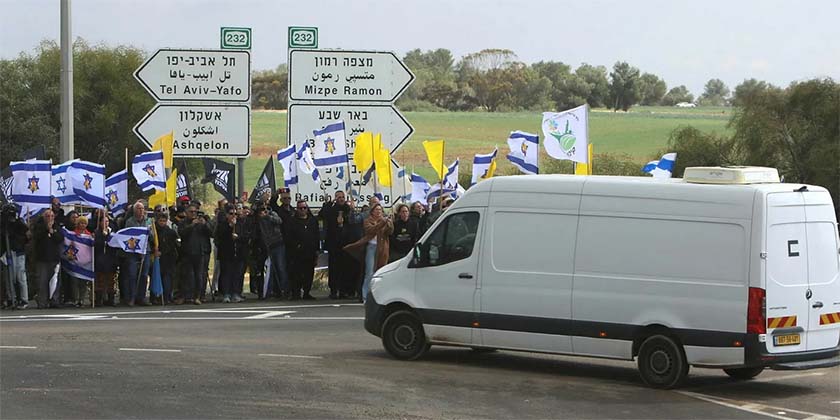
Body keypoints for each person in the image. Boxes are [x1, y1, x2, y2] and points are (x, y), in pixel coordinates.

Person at [344, 203, 392, 303]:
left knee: (380, 272)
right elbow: (371, 230)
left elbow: (389, 232)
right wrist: (382, 223)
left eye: (380, 210)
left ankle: (379, 296)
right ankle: (366, 296)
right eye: (376, 210)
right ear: (372, 212)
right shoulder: (367, 221)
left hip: (382, 248)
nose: (378, 212)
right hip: (371, 247)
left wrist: (390, 223)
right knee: (369, 272)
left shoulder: (384, 220)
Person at [319, 191, 354, 299]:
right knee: (334, 268)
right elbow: (321, 215)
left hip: (346, 243)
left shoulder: (347, 209)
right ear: (335, 198)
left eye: (343, 197)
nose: (341, 199)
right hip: (333, 244)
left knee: (345, 268)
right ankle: (333, 290)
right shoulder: (331, 209)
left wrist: (352, 209)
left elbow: (352, 221)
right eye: (339, 197)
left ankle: (344, 290)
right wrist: (327, 204)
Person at [177, 204, 212, 305]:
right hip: (186, 252)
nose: (193, 214)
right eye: (191, 212)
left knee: (199, 275)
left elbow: (211, 233)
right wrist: (192, 225)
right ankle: (185, 296)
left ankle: (198, 296)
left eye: (195, 212)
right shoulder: (183, 222)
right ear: (186, 213)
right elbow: (182, 233)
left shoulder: (201, 223)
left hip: (199, 252)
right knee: (186, 275)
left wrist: (205, 224)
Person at [122, 201, 154, 306]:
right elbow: (129, 236)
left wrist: (150, 233)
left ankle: (142, 297)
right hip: (133, 251)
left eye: (142, 209)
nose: (141, 211)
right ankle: (132, 297)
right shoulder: (130, 222)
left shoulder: (149, 221)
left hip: (146, 251)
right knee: (132, 274)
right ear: (134, 210)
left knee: (144, 275)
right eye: (138, 209)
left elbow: (153, 237)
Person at [286, 200, 320, 300]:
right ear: (297, 209)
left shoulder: (312, 221)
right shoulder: (292, 221)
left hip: (310, 252)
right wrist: (296, 246)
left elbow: (316, 235)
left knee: (309, 273)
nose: (303, 210)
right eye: (300, 208)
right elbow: (289, 237)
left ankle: (306, 292)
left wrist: (317, 250)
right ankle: (296, 293)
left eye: (304, 208)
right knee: (296, 273)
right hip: (297, 253)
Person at [257, 204, 291, 299]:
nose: (264, 211)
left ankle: (285, 290)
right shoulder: (258, 220)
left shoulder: (273, 214)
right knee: (269, 270)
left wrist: (268, 216)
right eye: (262, 209)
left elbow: (279, 221)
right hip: (267, 246)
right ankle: (270, 291)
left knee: (281, 268)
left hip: (278, 244)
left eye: (266, 209)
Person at [32, 209, 64, 309]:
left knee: (55, 281)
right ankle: (42, 302)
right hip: (42, 258)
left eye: (52, 216)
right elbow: (36, 237)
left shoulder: (57, 227)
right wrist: (46, 229)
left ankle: (54, 300)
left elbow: (60, 239)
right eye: (47, 216)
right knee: (42, 281)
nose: (50, 218)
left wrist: (52, 231)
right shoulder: (39, 227)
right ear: (43, 217)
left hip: (54, 258)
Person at [215, 205, 247, 303]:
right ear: (227, 215)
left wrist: (238, 237)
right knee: (226, 274)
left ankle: (236, 293)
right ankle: (226, 294)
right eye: (231, 214)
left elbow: (245, 237)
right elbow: (220, 236)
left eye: (236, 214)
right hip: (226, 253)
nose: (234, 216)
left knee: (237, 274)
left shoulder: (241, 224)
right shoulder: (222, 224)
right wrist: (230, 227)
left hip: (239, 253)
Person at [2, 205, 31, 309]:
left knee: (20, 277)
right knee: (9, 277)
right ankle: (11, 298)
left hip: (18, 252)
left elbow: (26, 237)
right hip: (7, 253)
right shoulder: (3, 224)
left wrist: (15, 239)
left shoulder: (19, 224)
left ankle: (23, 299)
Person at [93, 209, 118, 307]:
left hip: (110, 259)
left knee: (111, 280)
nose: (106, 223)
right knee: (100, 280)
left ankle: (111, 299)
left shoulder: (112, 233)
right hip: (100, 259)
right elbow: (97, 245)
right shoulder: (97, 232)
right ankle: (99, 299)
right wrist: (102, 237)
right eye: (104, 221)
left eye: (107, 221)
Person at [154, 213, 180, 304]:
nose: (162, 223)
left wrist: (163, 252)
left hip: (169, 258)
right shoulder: (154, 231)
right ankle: (156, 297)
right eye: (160, 221)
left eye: (164, 221)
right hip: (157, 258)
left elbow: (173, 245)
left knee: (168, 278)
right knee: (158, 277)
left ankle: (167, 296)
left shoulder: (170, 232)